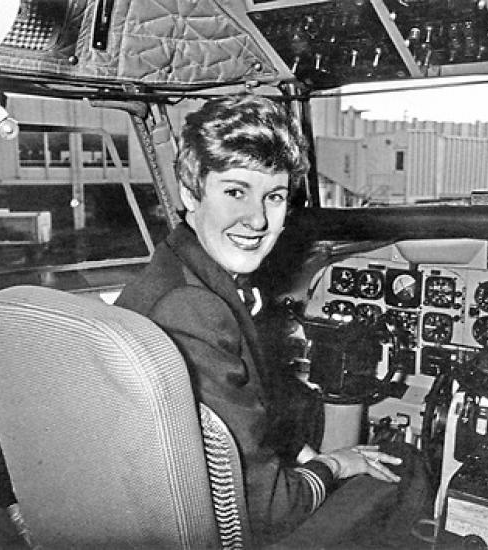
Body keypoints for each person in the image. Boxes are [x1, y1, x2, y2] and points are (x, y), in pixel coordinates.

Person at [116, 94, 432, 548]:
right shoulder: (193, 310)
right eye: (234, 191)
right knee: (405, 470)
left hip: (160, 507)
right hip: (232, 531)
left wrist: (303, 454)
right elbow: (270, 509)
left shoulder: (169, 273)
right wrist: (337, 464)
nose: (257, 219)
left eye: (275, 196)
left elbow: (238, 431)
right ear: (190, 193)